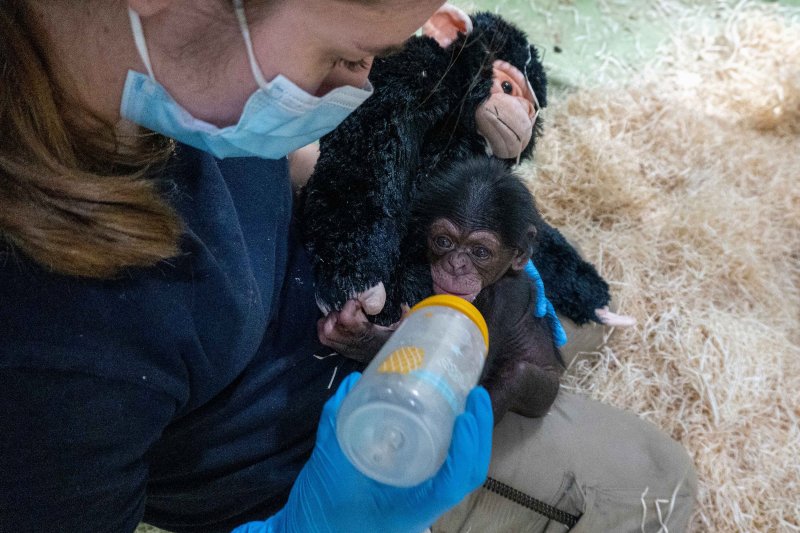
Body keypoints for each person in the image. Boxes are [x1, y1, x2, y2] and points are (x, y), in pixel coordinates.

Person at [0, 1, 696, 532]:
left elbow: (284, 159)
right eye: (347, 55)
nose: (358, 90)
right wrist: (318, 522)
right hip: (328, 458)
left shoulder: (158, 76)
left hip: (330, 293)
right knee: (654, 480)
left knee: (574, 315)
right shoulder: (53, 354)